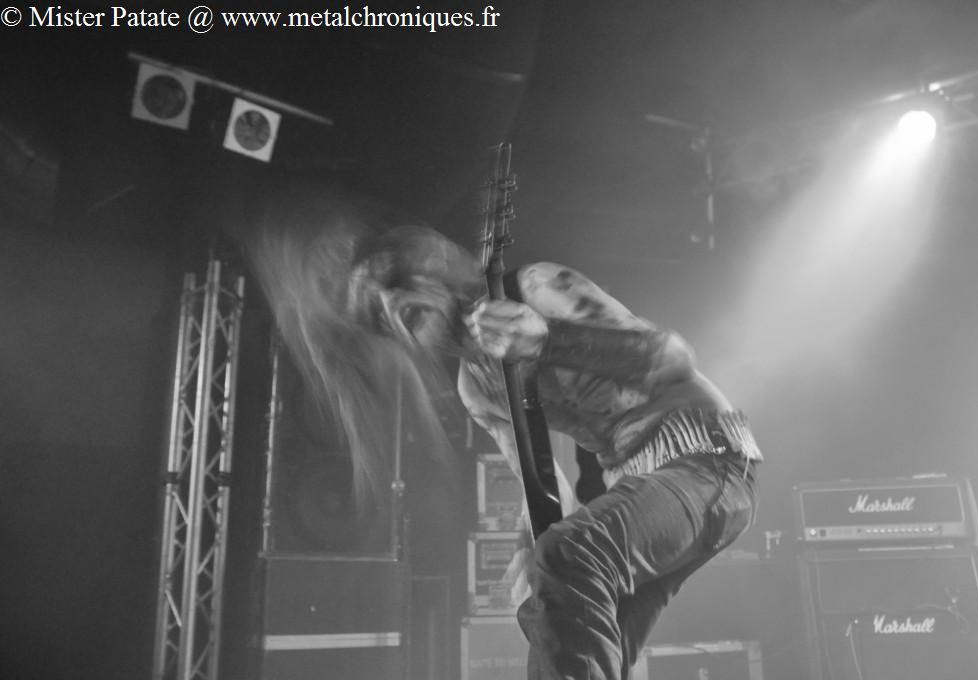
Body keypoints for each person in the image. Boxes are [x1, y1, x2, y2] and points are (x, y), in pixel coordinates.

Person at [250, 201, 761, 680]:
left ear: (428, 269)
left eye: (393, 283)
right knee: (555, 624)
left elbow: (672, 357)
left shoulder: (536, 288)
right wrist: (531, 548)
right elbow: (545, 486)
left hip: (708, 460)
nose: (390, 305)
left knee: (568, 558)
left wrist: (549, 340)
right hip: (643, 484)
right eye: (374, 315)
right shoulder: (475, 390)